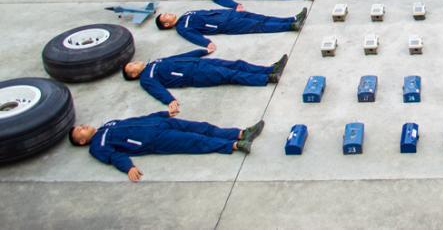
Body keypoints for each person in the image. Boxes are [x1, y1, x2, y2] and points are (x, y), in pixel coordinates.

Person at [69, 113, 264, 181]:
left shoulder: (108, 124)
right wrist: (128, 167)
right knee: (194, 141)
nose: (82, 126)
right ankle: (236, 145)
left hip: (160, 124)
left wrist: (161, 114)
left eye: (80, 125)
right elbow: (113, 156)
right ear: (81, 141)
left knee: (201, 127)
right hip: (155, 140)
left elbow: (137, 119)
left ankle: (241, 133)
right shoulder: (98, 146)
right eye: (79, 131)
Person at [123, 50, 289, 114]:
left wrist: (200, 52)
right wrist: (170, 101)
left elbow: (177, 57)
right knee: (230, 75)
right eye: (131, 66)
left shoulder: (155, 63)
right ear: (134, 75)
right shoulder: (146, 78)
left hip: (198, 63)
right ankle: (267, 78)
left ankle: (269, 69)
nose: (134, 62)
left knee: (236, 64)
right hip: (195, 75)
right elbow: (156, 89)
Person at [155, 8, 307, 51]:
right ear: (167, 25)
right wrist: (206, 43)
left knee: (262, 18)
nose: (168, 14)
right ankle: (291, 26)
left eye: (166, 13)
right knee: (259, 26)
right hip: (226, 25)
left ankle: (292, 18)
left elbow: (209, 11)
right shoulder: (182, 27)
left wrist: (230, 10)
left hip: (228, 15)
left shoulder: (187, 14)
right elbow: (192, 36)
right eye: (165, 17)